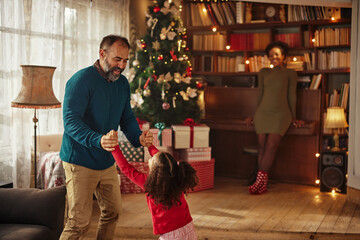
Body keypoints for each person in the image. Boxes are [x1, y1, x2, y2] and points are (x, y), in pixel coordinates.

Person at [59, 34, 153, 240]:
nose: (121, 65)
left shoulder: (122, 84)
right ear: (102, 54)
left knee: (112, 213)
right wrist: (98, 140)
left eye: (125, 60)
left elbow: (126, 118)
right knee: (79, 223)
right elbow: (70, 122)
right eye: (117, 59)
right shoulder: (80, 80)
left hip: (107, 160)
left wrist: (138, 138)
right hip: (80, 160)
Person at [108, 130, 198, 240]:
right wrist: (149, 145)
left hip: (171, 235)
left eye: (151, 160)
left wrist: (115, 147)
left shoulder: (149, 182)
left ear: (156, 170)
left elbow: (126, 168)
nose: (150, 159)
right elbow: (160, 159)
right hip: (188, 227)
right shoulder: (175, 174)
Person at [246, 41, 304, 195]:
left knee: (271, 146)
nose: (273, 57)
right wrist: (254, 114)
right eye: (271, 55)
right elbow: (260, 95)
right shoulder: (263, 72)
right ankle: (263, 183)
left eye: (276, 54)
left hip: (280, 114)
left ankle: (259, 181)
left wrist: (294, 116)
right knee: (261, 147)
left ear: (284, 56)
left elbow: (292, 96)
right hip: (262, 113)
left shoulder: (290, 73)